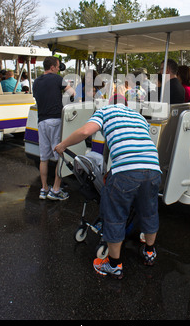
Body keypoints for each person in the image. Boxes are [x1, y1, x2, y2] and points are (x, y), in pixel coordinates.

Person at [54, 94, 161, 279]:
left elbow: (85, 132)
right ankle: (150, 252)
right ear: (126, 105)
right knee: (149, 211)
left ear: (109, 103)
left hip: (126, 171)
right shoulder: (138, 116)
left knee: (115, 217)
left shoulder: (105, 111)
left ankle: (113, 265)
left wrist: (63, 145)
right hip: (153, 168)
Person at [33, 56, 75, 201]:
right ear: (52, 67)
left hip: (41, 121)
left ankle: (44, 188)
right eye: (57, 67)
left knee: (44, 158)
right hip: (55, 121)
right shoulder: (58, 79)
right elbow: (73, 93)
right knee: (60, 155)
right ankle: (56, 190)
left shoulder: (36, 82)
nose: (58, 69)